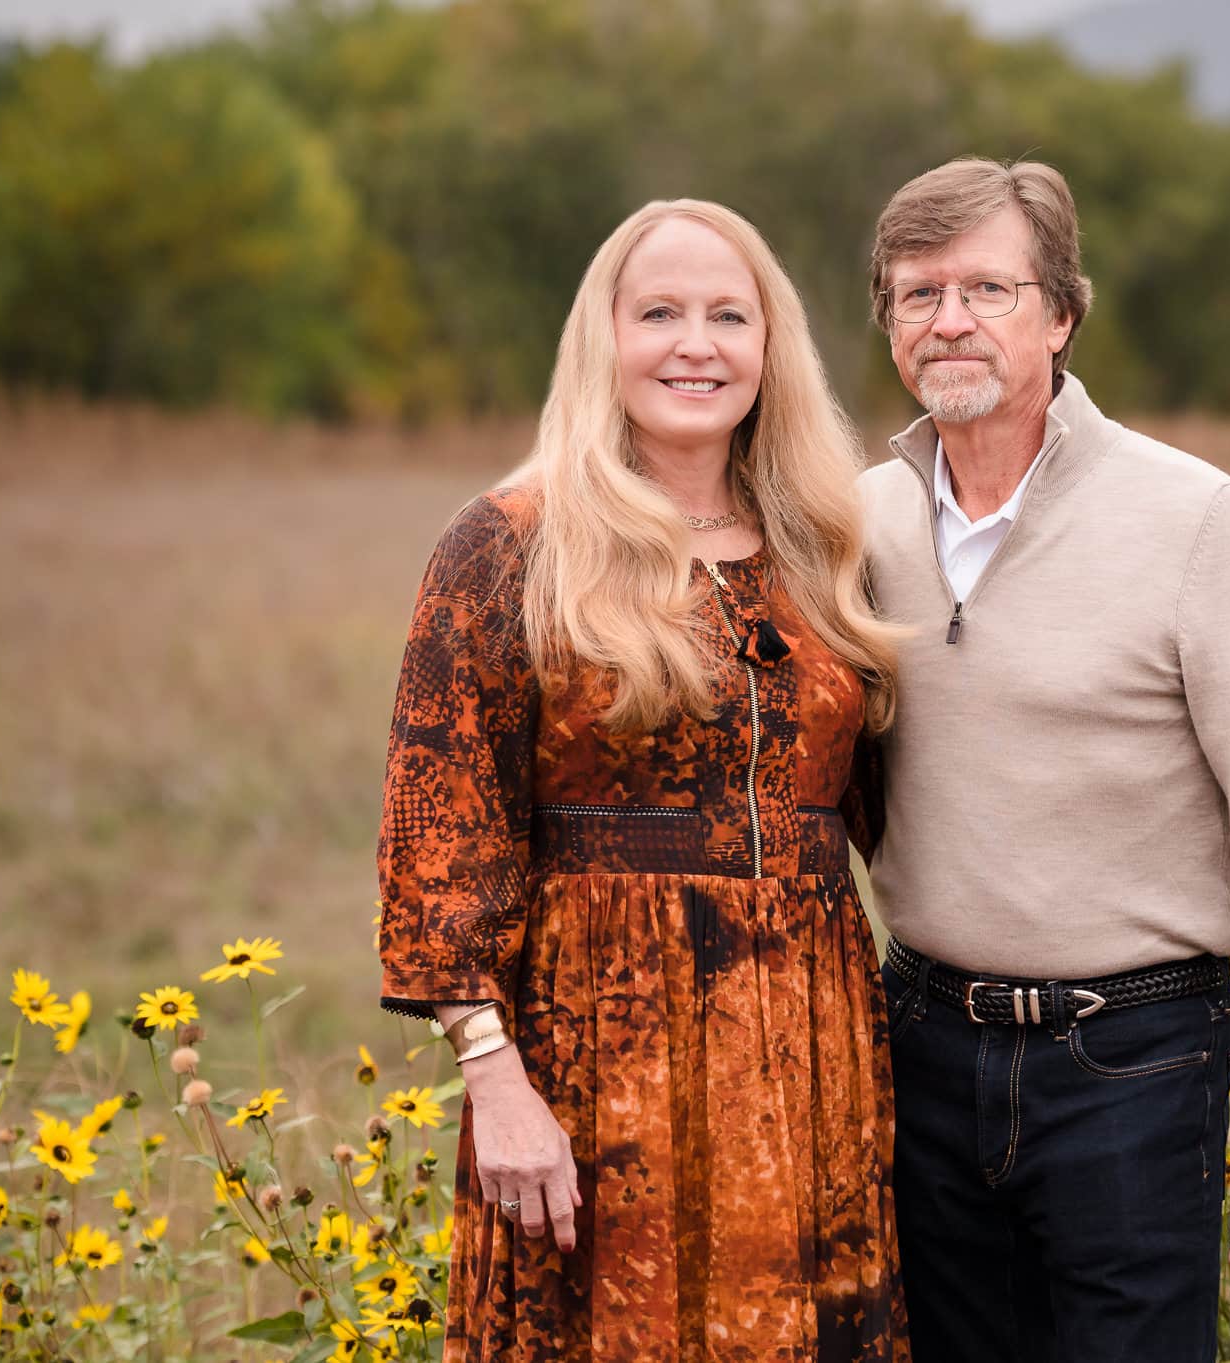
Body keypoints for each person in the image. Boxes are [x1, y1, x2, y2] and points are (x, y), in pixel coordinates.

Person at [376, 199, 907, 1363]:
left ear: (770, 349)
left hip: (813, 1055)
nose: (694, 345)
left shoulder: (821, 542)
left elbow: (896, 810)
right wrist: (493, 1078)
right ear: (600, 339)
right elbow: (440, 827)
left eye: (728, 314)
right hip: (598, 1051)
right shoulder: (513, 541)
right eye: (658, 312)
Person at [856, 157, 1230, 1362]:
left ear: (1062, 312)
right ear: (887, 325)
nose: (950, 321)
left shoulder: (1192, 520)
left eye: (988, 288)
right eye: (917, 295)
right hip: (920, 1042)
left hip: (1131, 1056)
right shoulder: (854, 519)